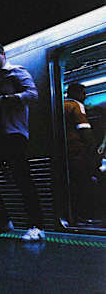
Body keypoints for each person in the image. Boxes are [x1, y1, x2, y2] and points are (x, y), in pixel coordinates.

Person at [0, 42, 45, 241]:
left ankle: (37, 226)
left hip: (14, 133)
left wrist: (5, 99)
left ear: (2, 54)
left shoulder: (16, 72)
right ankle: (2, 220)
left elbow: (32, 94)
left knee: (22, 179)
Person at [64, 83, 98, 224]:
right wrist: (94, 149)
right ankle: (82, 215)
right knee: (82, 184)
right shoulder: (76, 105)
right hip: (78, 152)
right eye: (84, 93)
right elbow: (84, 130)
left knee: (71, 185)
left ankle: (72, 216)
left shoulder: (61, 106)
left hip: (66, 152)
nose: (85, 96)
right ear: (76, 94)